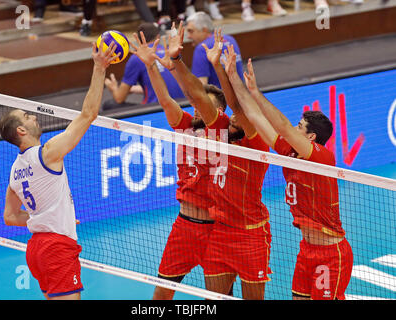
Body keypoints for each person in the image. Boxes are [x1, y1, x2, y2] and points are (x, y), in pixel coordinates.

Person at [224, 47, 354, 300]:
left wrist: (257, 93)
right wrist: (235, 79)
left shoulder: (320, 156)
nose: (294, 129)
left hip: (331, 253)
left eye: (300, 127)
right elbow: (253, 116)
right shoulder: (289, 152)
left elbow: (281, 123)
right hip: (306, 250)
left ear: (311, 137)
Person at [0, 40, 117, 300]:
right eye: (28, 117)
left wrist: (45, 219)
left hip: (36, 250)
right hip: (56, 248)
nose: (34, 117)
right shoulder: (47, 153)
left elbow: (10, 216)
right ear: (21, 131)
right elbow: (88, 115)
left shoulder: (14, 171)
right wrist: (99, 67)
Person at [130, 27, 232, 300]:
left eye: (203, 106)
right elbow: (165, 101)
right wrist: (151, 65)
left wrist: (176, 62)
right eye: (196, 105)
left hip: (217, 230)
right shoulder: (186, 125)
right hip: (185, 227)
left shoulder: (221, 130)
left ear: (218, 112)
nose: (196, 109)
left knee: (219, 298)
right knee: (161, 295)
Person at [199, 28, 272, 300]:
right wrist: (216, 63)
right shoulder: (223, 133)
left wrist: (224, 70)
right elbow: (219, 106)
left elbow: (237, 106)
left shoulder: (257, 143)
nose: (231, 119)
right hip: (219, 232)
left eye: (237, 118)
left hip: (251, 235)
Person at [103, 22, 184, 110]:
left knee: (109, 105)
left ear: (139, 39)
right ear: (158, 37)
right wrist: (133, 89)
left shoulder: (137, 58)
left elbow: (119, 98)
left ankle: (146, 122)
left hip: (156, 109)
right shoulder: (171, 52)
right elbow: (167, 84)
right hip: (183, 104)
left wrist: (114, 88)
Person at [185, 12, 244, 88]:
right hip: (241, 96)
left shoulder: (202, 48)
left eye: (191, 31)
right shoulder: (231, 39)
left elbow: (201, 88)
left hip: (219, 98)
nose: (189, 37)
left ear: (204, 30)